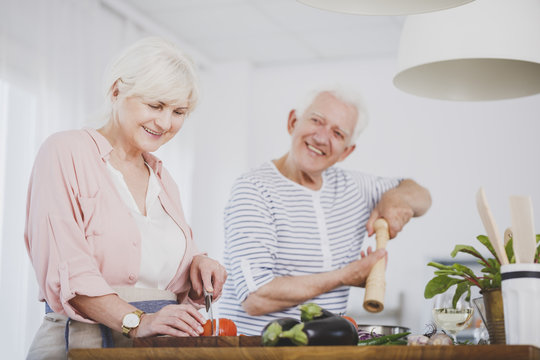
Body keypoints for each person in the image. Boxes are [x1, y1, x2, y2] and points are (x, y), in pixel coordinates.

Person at [24, 37, 227, 359]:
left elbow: (158, 263)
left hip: (153, 349)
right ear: (117, 91)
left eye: (179, 111)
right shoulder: (65, 151)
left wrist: (197, 263)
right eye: (155, 105)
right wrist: (136, 321)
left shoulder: (162, 177)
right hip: (83, 343)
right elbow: (68, 268)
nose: (165, 123)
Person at [219, 87, 432, 335]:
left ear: (346, 151)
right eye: (316, 120)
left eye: (337, 133)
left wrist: (395, 198)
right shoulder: (254, 190)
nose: (321, 138)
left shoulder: (355, 188)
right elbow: (256, 297)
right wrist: (345, 276)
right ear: (293, 122)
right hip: (257, 351)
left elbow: (421, 196)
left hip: (325, 349)